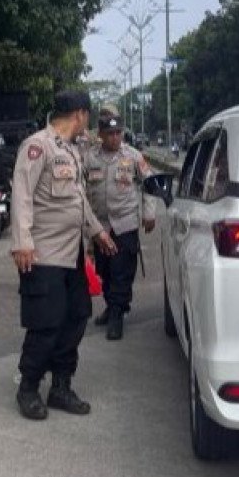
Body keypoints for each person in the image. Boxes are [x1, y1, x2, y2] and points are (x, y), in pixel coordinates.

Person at [10, 90, 117, 421]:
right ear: (80, 115)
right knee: (46, 323)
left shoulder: (72, 152)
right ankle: (28, 387)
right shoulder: (38, 145)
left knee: (77, 316)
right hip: (43, 254)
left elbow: (78, 201)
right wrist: (22, 242)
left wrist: (97, 231)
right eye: (88, 117)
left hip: (72, 255)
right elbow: (22, 195)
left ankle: (60, 385)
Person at [84, 114, 157, 341]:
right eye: (110, 134)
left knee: (121, 272)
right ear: (101, 135)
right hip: (101, 226)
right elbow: (79, 189)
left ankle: (117, 314)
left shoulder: (133, 156)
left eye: (118, 133)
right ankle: (112, 306)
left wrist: (149, 213)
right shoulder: (89, 158)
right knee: (104, 271)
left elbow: (150, 184)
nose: (115, 138)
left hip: (125, 224)